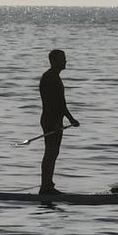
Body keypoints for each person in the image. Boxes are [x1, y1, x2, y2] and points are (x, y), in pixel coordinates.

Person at [38, 49, 79, 195]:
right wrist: (70, 119)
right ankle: (46, 187)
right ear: (54, 61)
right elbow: (58, 104)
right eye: (63, 59)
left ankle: (47, 185)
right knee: (51, 153)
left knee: (53, 153)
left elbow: (61, 104)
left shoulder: (54, 76)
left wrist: (68, 119)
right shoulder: (50, 78)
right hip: (51, 120)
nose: (65, 61)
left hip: (54, 119)